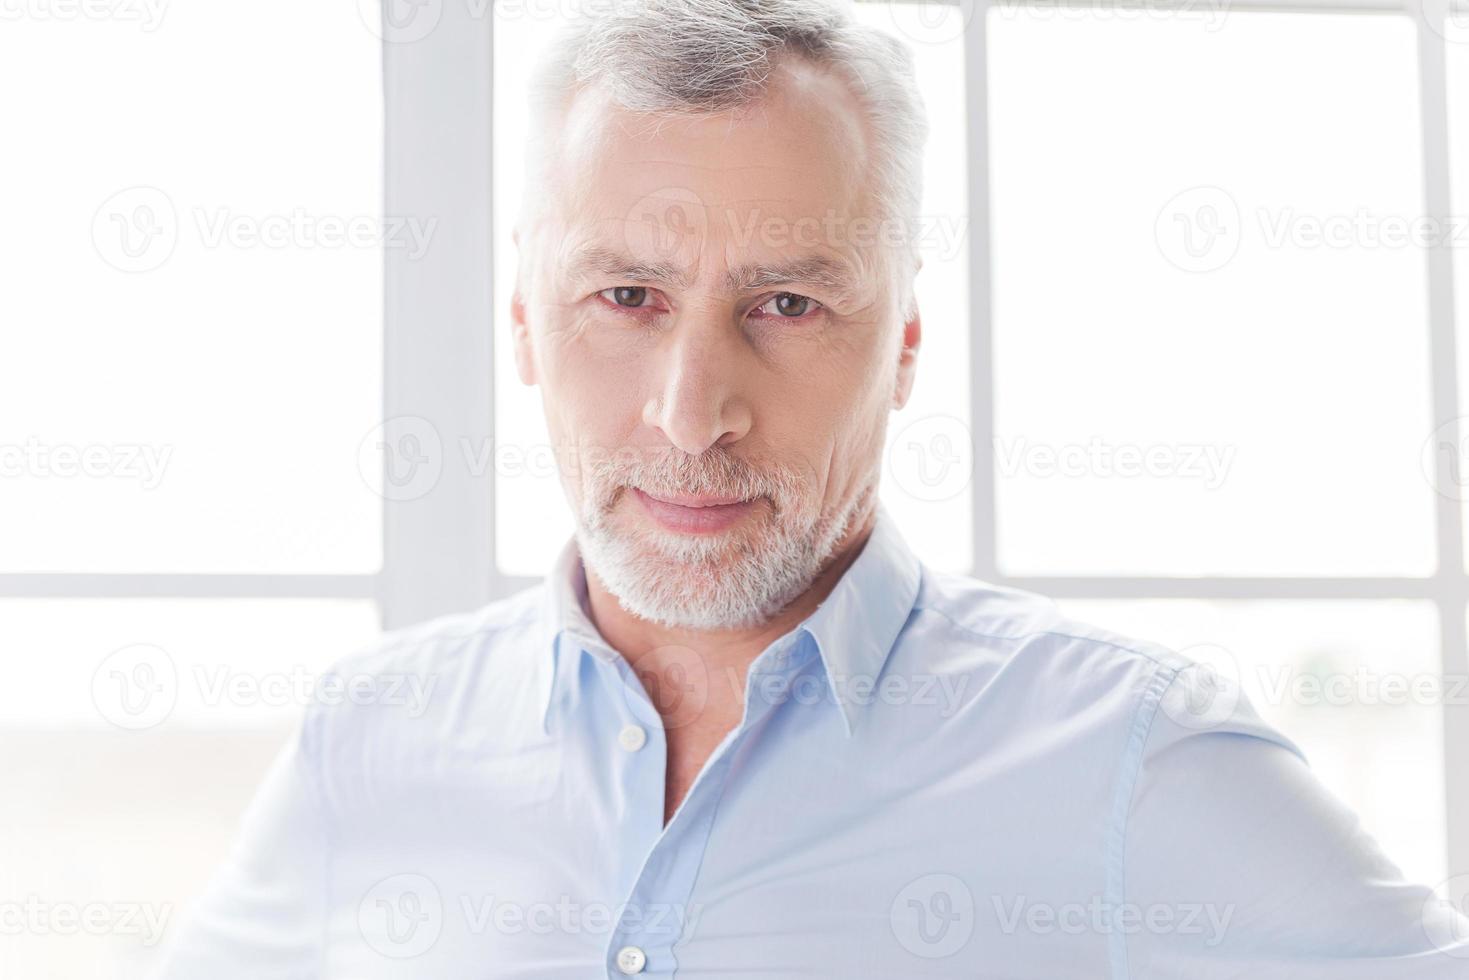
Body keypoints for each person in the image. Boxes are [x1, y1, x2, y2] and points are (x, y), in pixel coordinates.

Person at [154, 0, 1469, 975]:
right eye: (625, 298)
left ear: (900, 347)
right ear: (520, 321)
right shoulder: (365, 745)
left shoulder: (1139, 764)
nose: (690, 414)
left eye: (785, 302)